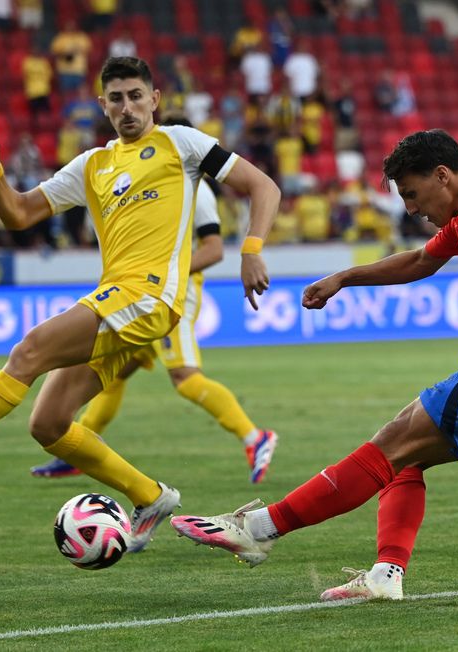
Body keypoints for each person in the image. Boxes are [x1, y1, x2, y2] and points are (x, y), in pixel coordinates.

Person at [0, 56, 280, 554]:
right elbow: (18, 213)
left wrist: (251, 251)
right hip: (116, 298)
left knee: (28, 351)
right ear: (102, 105)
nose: (127, 107)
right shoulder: (92, 165)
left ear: (155, 99)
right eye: (116, 98)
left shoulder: (179, 143)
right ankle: (150, 496)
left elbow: (262, 186)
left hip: (147, 297)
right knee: (49, 423)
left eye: (136, 95)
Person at [171, 129, 458, 601]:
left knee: (389, 446)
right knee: (400, 460)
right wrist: (346, 277)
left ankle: (258, 529)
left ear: (443, 176)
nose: (410, 208)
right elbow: (419, 262)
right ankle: (386, 576)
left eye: (412, 193)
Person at [31, 116, 279, 483]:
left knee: (184, 375)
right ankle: (76, 445)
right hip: (141, 294)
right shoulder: (157, 177)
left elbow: (212, 250)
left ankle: (254, 436)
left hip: (171, 295)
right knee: (115, 370)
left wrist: (167, 270)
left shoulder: (197, 188)